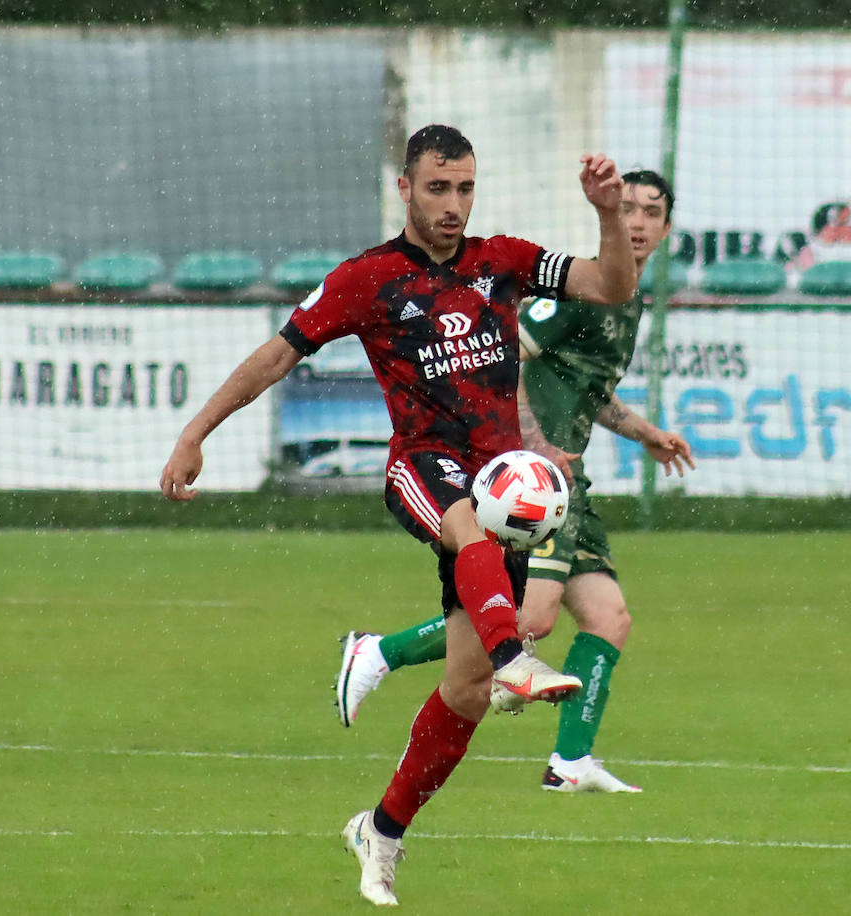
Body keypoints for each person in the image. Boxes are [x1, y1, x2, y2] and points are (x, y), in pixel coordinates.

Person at [159, 124, 638, 907]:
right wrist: (195, 432)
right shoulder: (369, 279)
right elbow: (276, 355)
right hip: (423, 467)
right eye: (439, 188)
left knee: (465, 691)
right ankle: (515, 655)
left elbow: (611, 286)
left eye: (466, 189)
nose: (454, 205)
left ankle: (380, 829)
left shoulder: (503, 261)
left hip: (496, 481)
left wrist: (609, 214)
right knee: (470, 536)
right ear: (406, 187)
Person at [334, 169, 695, 796]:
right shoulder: (575, 293)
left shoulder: (627, 297)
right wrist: (531, 447)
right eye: (627, 208)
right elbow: (506, 356)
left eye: (650, 212)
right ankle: (379, 652)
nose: (636, 221)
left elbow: (590, 392)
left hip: (567, 490)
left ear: (666, 227)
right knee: (527, 619)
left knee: (609, 617)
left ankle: (571, 762)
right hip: (530, 488)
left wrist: (642, 432)